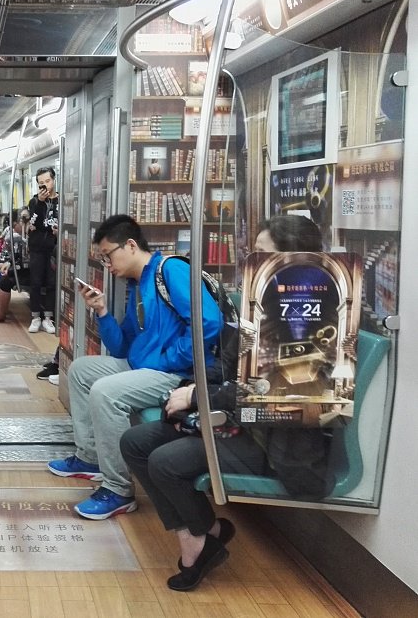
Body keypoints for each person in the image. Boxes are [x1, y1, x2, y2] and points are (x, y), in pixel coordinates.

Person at [119, 214, 324, 592]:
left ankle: (195, 543)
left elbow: (272, 391)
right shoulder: (261, 307)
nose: (252, 262)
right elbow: (226, 369)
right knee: (135, 442)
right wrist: (186, 389)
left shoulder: (311, 320)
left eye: (262, 254)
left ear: (293, 261)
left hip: (274, 439)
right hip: (236, 419)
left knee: (166, 462)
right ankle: (203, 530)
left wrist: (198, 396)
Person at [47, 214, 223, 520]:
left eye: (108, 255)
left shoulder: (171, 270)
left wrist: (168, 359)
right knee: (81, 371)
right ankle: (90, 457)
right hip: (143, 367)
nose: (107, 264)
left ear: (129, 245)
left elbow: (209, 322)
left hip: (175, 375)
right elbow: (122, 348)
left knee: (105, 392)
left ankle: (118, 490)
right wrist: (101, 312)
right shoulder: (138, 287)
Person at [27, 167, 59, 334]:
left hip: (54, 249)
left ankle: (48, 317)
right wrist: (40, 203)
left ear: (54, 180)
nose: (45, 185)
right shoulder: (34, 202)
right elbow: (34, 223)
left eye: (48, 181)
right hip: (37, 248)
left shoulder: (61, 201)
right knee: (36, 282)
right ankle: (35, 317)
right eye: (41, 183)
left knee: (52, 282)